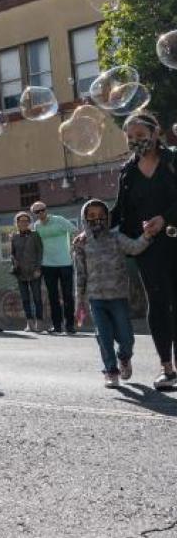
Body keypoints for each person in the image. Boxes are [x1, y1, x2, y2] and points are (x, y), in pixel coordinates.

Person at [111, 111, 177, 390]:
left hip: (175, 239)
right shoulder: (127, 172)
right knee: (158, 304)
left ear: (155, 132)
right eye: (130, 137)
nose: (135, 141)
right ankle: (167, 369)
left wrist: (166, 218)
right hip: (148, 248)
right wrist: (92, 229)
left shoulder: (173, 160)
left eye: (140, 135)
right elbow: (120, 212)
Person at [75, 199, 153, 387]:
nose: (97, 219)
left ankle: (124, 358)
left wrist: (147, 235)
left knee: (126, 338)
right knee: (104, 337)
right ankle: (111, 370)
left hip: (118, 297)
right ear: (85, 219)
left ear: (107, 217)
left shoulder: (116, 238)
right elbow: (80, 273)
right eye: (91, 216)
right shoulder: (81, 243)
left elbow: (135, 247)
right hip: (96, 299)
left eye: (101, 215)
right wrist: (80, 300)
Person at [30, 200, 77, 335]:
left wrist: (73, 249)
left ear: (46, 209)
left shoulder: (59, 220)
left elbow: (75, 231)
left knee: (68, 296)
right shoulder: (37, 226)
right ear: (34, 214)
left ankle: (70, 326)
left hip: (65, 263)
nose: (41, 213)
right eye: (37, 211)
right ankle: (57, 326)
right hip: (47, 265)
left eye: (42, 209)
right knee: (53, 297)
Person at [10, 211, 44, 332]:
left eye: (26, 221)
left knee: (37, 298)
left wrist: (38, 268)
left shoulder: (35, 235)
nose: (24, 223)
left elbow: (40, 252)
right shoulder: (14, 236)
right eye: (21, 221)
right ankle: (29, 323)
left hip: (34, 271)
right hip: (21, 272)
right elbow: (12, 253)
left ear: (29, 223)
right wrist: (14, 264)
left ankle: (39, 322)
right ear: (17, 223)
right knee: (25, 299)